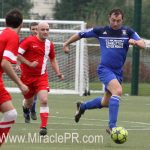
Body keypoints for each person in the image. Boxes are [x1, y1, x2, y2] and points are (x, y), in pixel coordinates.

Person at [63, 8, 145, 134]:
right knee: (118, 91)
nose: (115, 23)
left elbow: (143, 44)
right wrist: (66, 43)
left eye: (118, 21)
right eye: (113, 20)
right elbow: (81, 34)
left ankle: (82, 107)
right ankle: (112, 127)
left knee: (106, 102)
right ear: (109, 18)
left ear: (122, 20)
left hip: (118, 72)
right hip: (105, 69)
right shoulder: (101, 31)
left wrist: (135, 42)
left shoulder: (128, 32)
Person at [17, 21, 64, 136]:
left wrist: (58, 72)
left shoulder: (49, 44)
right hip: (26, 78)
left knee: (44, 100)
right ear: (37, 30)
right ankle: (25, 109)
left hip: (41, 77)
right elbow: (17, 54)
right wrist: (28, 63)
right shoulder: (28, 41)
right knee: (29, 102)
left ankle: (43, 126)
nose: (45, 32)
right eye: (43, 29)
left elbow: (53, 59)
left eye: (47, 30)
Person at [0, 9, 29, 146]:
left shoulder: (4, 33)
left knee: (10, 114)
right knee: (10, 114)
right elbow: (5, 63)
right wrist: (20, 84)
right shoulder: (12, 36)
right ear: (21, 24)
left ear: (6, 22)